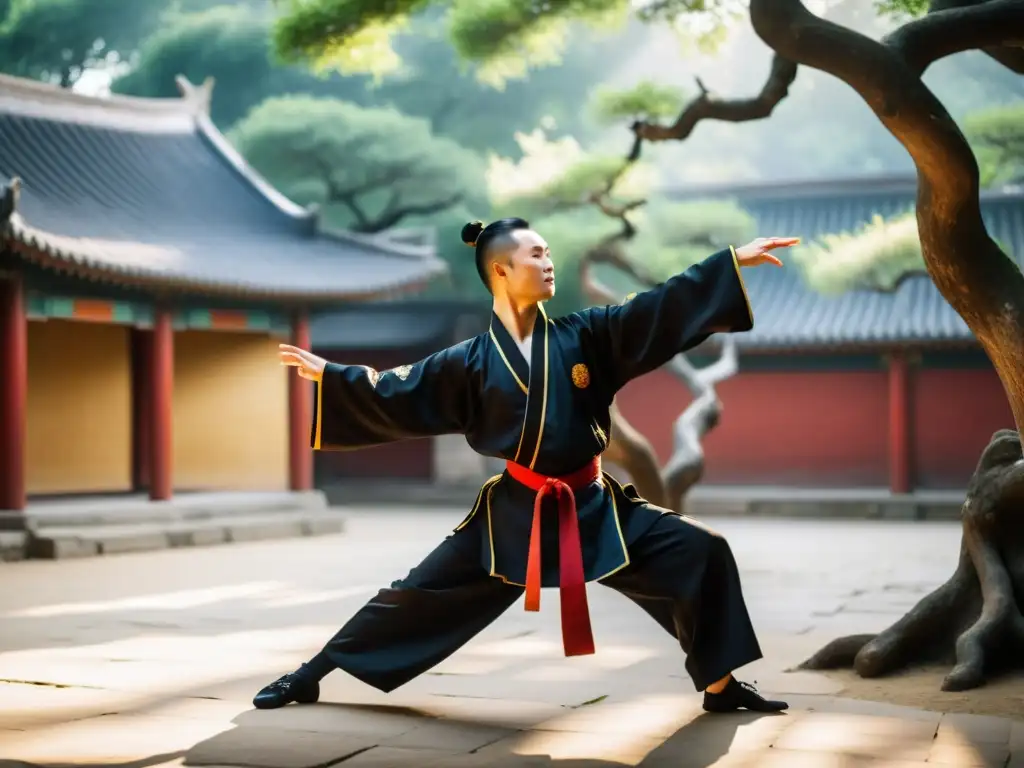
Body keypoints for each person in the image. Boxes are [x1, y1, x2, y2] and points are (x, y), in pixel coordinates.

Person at [257, 218, 799, 714]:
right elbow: (397, 389)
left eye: (549, 254)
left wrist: (727, 264)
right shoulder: (466, 362)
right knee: (415, 593)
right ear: (500, 270)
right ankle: (310, 674)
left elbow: (655, 308)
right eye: (536, 254)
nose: (548, 262)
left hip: (594, 505)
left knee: (700, 550)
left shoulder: (586, 334)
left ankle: (721, 687)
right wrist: (335, 376)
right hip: (515, 515)